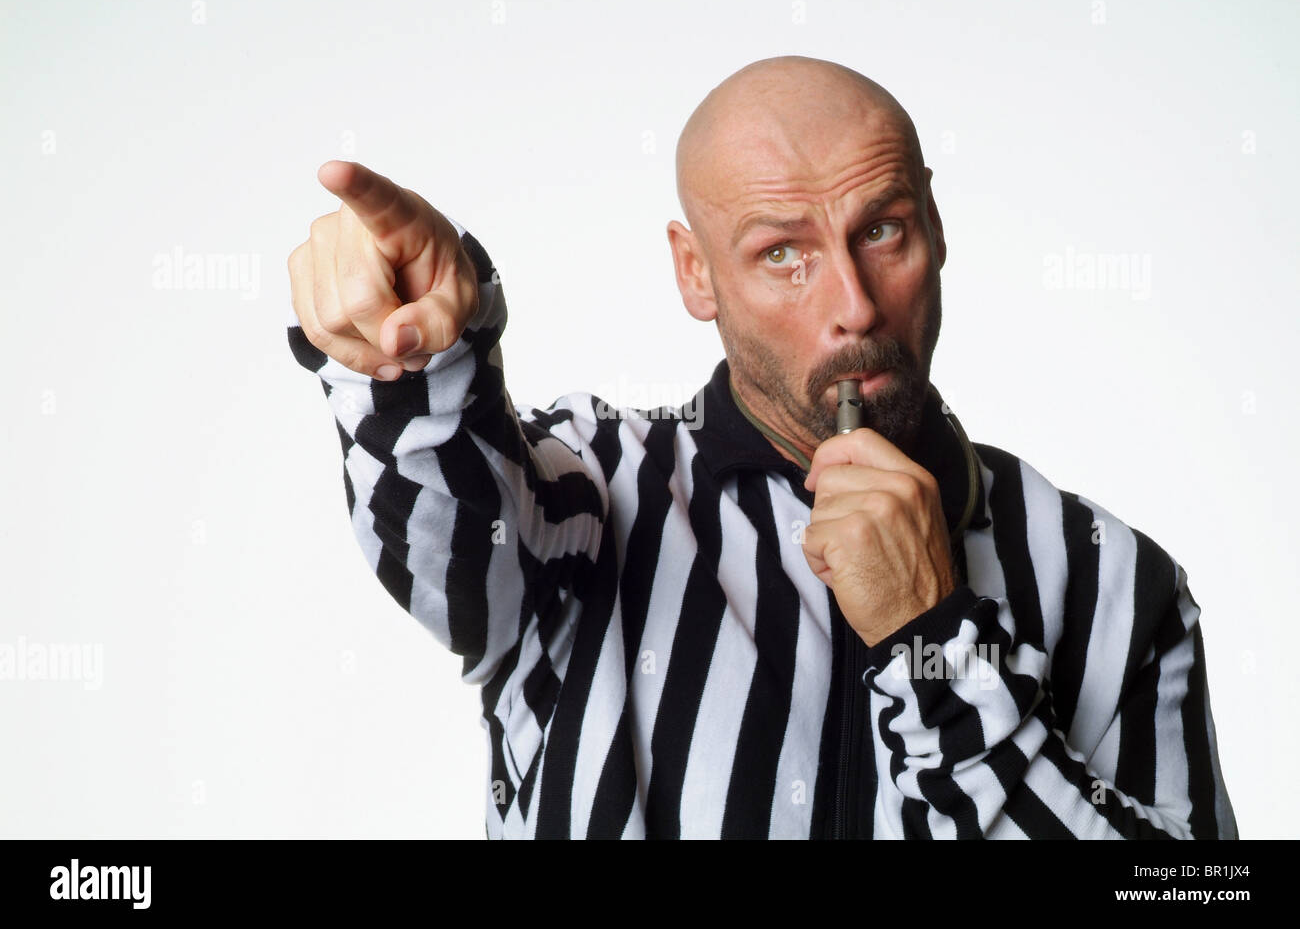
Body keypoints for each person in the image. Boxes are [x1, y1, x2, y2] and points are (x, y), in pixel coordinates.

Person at [285, 55, 1237, 839]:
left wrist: (933, 640)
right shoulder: (594, 494)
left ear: (936, 225)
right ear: (695, 272)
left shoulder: (1111, 580)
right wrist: (413, 361)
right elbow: (449, 543)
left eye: (883, 230)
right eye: (783, 252)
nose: (854, 308)